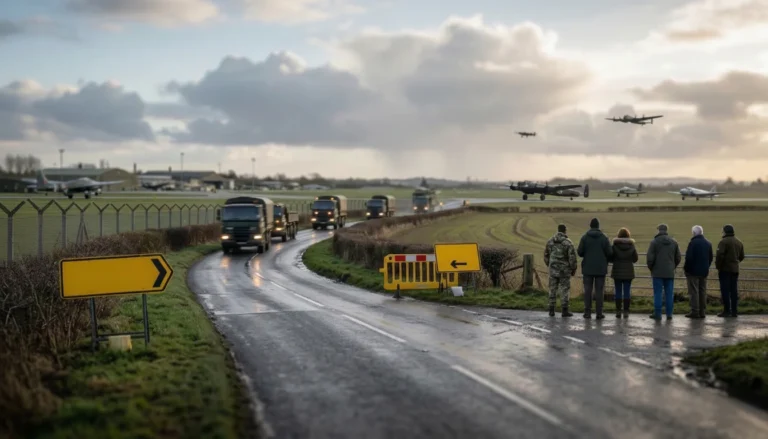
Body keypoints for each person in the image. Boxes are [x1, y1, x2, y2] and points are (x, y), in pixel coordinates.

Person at [577, 218, 612, 319]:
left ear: (590, 225)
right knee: (599, 291)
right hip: (600, 268)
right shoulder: (604, 238)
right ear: (598, 226)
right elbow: (610, 253)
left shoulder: (584, 237)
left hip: (587, 268)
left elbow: (580, 252)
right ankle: (599, 313)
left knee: (588, 290)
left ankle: (587, 312)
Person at [646, 224, 681, 320]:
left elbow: (650, 258)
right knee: (669, 294)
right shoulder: (674, 242)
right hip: (669, 272)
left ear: (658, 230)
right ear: (666, 230)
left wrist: (652, 268)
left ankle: (658, 314)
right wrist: (672, 266)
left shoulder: (654, 242)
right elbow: (678, 257)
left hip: (657, 272)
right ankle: (669, 314)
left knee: (657, 293)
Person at [544, 224, 578, 317]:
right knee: (564, 289)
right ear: (565, 231)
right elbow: (572, 258)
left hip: (553, 269)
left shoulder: (550, 241)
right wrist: (573, 268)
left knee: (552, 289)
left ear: (558, 230)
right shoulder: (568, 243)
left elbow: (546, 255)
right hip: (564, 271)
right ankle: (564, 310)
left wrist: (549, 264)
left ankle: (551, 310)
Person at [683, 225, 713, 319]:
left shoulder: (693, 243)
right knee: (702, 291)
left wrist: (686, 269)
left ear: (694, 233)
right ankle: (702, 311)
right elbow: (710, 258)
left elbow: (689, 258)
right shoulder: (708, 243)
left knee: (694, 291)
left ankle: (695, 311)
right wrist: (706, 267)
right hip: (704, 271)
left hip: (693, 271)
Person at [715, 224, 745, 317]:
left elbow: (720, 255)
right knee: (734, 291)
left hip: (725, 269)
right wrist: (735, 262)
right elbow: (742, 256)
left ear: (724, 232)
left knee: (725, 291)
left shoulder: (723, 242)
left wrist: (718, 266)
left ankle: (727, 310)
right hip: (735, 269)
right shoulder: (739, 242)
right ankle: (734, 311)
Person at [610, 228, 638, 318]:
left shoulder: (614, 246)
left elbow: (610, 258)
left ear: (619, 235)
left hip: (617, 271)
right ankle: (626, 311)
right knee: (627, 291)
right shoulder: (632, 245)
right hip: (628, 272)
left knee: (618, 291)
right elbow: (635, 259)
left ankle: (618, 311)